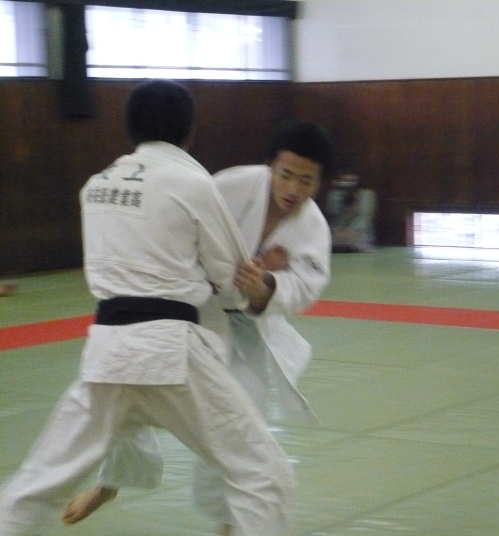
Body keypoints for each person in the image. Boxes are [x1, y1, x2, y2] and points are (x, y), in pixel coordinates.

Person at [0, 80, 296, 536]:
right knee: (263, 474)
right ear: (189, 131)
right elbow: (230, 279)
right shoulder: (193, 183)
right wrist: (251, 279)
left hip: (106, 354)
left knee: (35, 486)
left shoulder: (95, 187)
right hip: (171, 352)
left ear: (130, 129)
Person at [59, 120, 335, 536]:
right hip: (190, 309)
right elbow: (178, 228)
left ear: (320, 182)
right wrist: (235, 271)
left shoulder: (313, 229)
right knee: (124, 390)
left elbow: (304, 288)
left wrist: (265, 285)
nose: (293, 188)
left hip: (247, 329)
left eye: (307, 180)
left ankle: (229, 524)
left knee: (241, 426)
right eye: (286, 174)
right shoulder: (229, 186)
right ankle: (110, 482)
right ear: (270, 167)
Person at [324, 172, 376, 252]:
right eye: (345, 181)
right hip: (338, 232)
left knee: (357, 241)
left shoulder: (366, 195)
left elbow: (366, 218)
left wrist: (352, 233)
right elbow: (333, 216)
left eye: (351, 181)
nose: (348, 184)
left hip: (359, 232)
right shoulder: (334, 195)